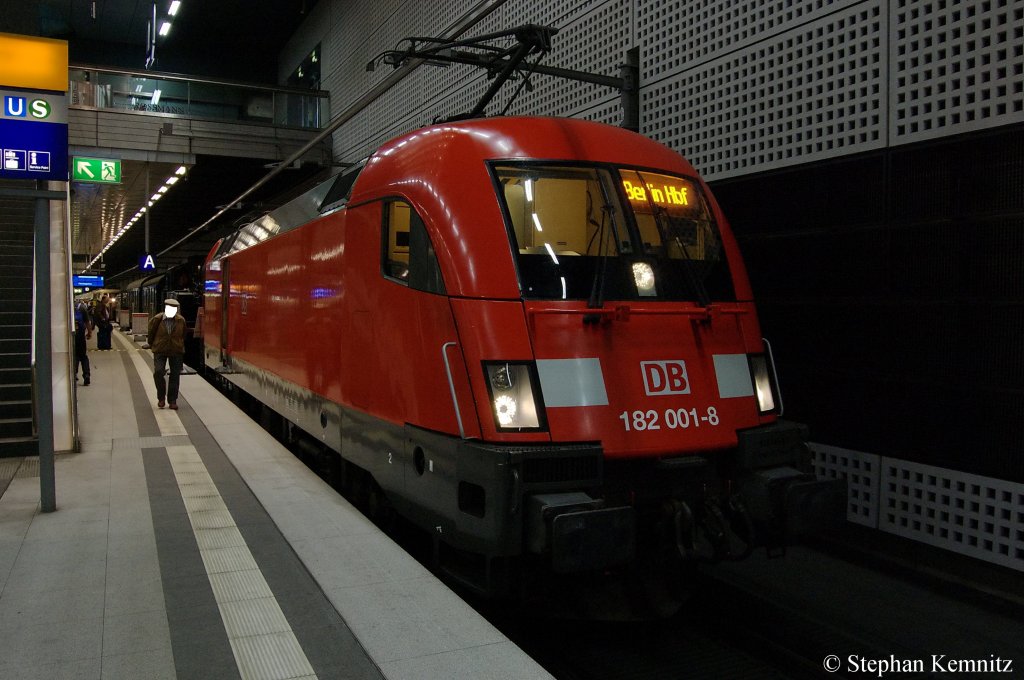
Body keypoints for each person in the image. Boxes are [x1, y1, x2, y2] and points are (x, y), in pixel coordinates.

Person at [147, 298, 186, 410]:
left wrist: (179, 344)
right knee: (158, 372)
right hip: (160, 349)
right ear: (165, 308)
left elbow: (183, 334)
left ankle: (172, 400)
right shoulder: (157, 319)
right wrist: (152, 344)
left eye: (174, 309)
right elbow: (151, 333)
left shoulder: (181, 320)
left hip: (176, 350)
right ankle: (161, 398)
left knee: (175, 375)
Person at [73, 299, 92, 386]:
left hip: (71, 336)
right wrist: (89, 332)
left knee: (75, 356)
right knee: (83, 356)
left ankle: (74, 374)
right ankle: (86, 374)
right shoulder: (82, 307)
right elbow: (87, 322)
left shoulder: (67, 307)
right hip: (80, 336)